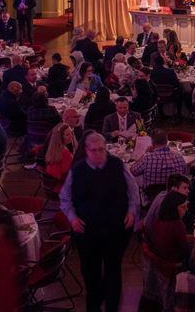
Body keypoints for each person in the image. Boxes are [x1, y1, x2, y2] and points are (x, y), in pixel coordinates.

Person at [59, 131, 139, 312]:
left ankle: (112, 307)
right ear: (86, 150)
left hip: (115, 229)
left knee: (113, 270)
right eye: (94, 150)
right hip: (87, 231)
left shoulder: (117, 165)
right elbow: (65, 198)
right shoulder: (78, 170)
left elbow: (132, 190)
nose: (98, 154)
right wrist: (72, 218)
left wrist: (131, 211)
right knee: (90, 272)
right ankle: (93, 306)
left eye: (102, 150)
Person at [130, 129, 187, 193]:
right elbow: (185, 176)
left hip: (151, 198)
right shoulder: (179, 157)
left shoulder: (147, 158)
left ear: (153, 143)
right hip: (174, 198)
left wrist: (145, 154)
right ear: (166, 142)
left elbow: (132, 171)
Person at [149, 192, 192, 264]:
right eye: (183, 207)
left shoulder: (159, 220)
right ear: (173, 208)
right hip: (173, 263)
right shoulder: (177, 225)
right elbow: (185, 250)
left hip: (161, 259)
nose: (186, 209)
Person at [44, 122, 77, 192]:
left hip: (51, 186)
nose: (71, 136)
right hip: (62, 188)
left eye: (71, 133)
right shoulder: (64, 153)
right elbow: (70, 175)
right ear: (60, 137)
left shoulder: (53, 150)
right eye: (67, 134)